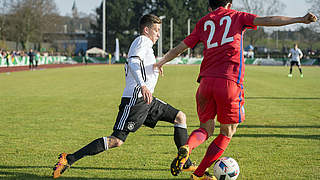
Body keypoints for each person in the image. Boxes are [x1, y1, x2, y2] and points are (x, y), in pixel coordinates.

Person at [154, 0, 317, 179]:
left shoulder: (203, 22)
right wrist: (300, 19)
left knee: (206, 129)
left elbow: (180, 47)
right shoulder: (237, 16)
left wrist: (161, 62)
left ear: (210, 7)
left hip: (205, 83)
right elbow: (269, 20)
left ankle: (187, 147)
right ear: (229, 4)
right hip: (229, 82)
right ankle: (199, 174)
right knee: (227, 132)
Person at [52, 14, 196, 179]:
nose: (158, 34)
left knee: (180, 117)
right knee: (116, 140)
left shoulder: (147, 46)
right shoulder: (142, 41)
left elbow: (141, 63)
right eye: (156, 30)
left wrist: (156, 66)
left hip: (147, 100)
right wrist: (142, 85)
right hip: (137, 98)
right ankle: (68, 159)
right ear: (146, 29)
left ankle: (186, 162)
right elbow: (134, 61)